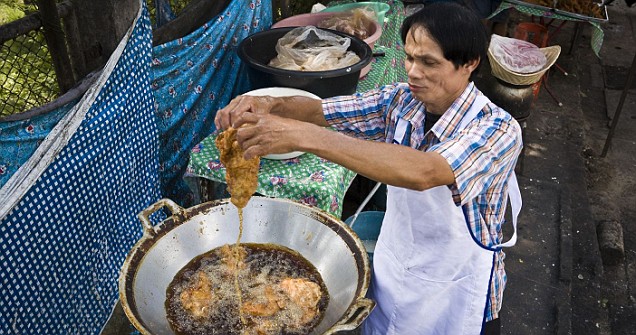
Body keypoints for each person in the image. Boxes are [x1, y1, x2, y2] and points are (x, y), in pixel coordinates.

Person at [215, 2, 522, 334]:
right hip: (395, 270)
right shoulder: (401, 102)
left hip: (455, 292)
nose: (413, 72)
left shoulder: (498, 130)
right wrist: (270, 104)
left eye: (429, 62)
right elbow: (322, 111)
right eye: (409, 57)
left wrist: (302, 136)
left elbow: (426, 172)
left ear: (469, 64)